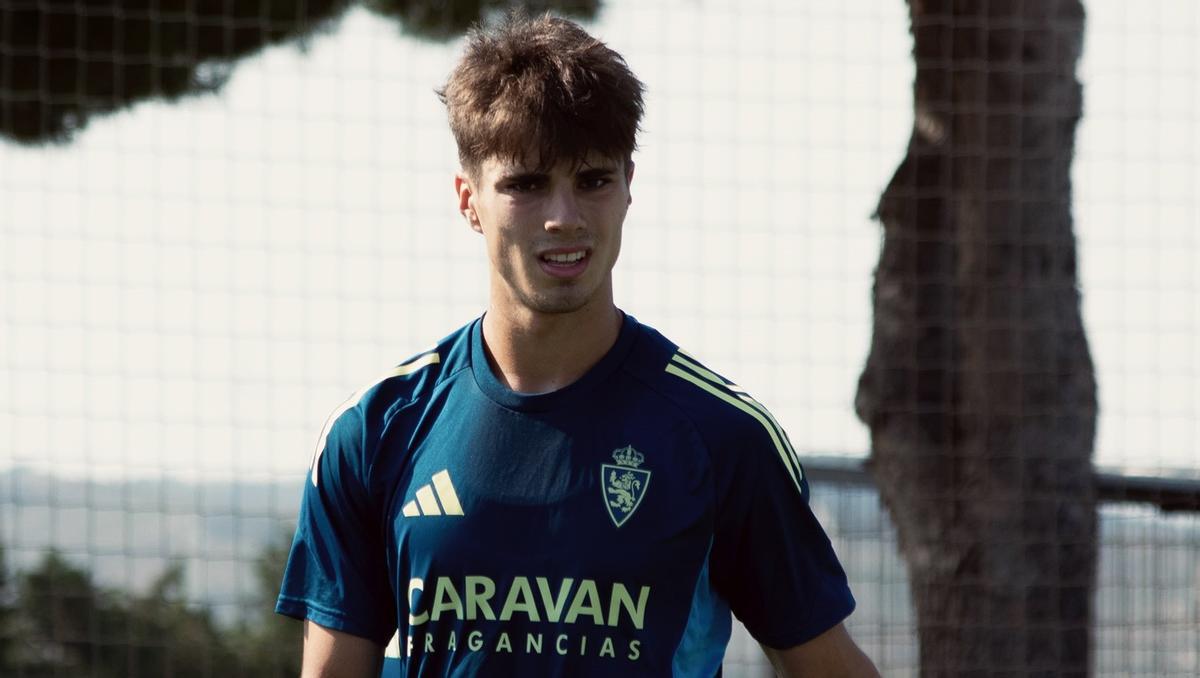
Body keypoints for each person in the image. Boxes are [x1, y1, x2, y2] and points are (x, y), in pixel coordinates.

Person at [276, 11, 880, 678]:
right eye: (526, 184)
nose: (564, 217)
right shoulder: (376, 431)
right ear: (468, 199)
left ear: (628, 189)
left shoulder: (722, 437)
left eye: (592, 179)